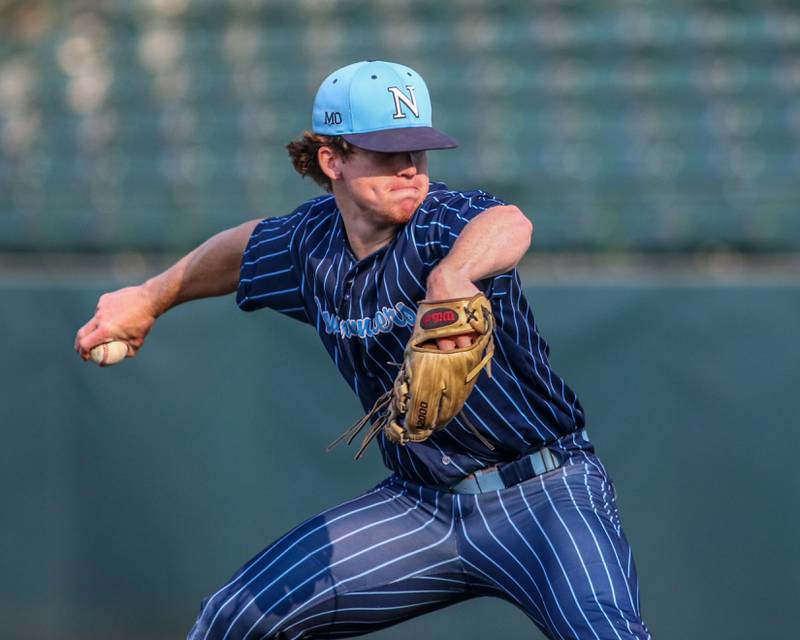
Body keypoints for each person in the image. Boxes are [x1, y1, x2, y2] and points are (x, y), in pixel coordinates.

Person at [75, 60, 650, 640]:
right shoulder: (311, 246)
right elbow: (241, 249)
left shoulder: (440, 224)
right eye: (386, 151)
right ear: (333, 160)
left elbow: (509, 222)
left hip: (546, 497)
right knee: (234, 620)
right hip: (420, 509)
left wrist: (454, 276)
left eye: (418, 151)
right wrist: (150, 298)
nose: (408, 168)